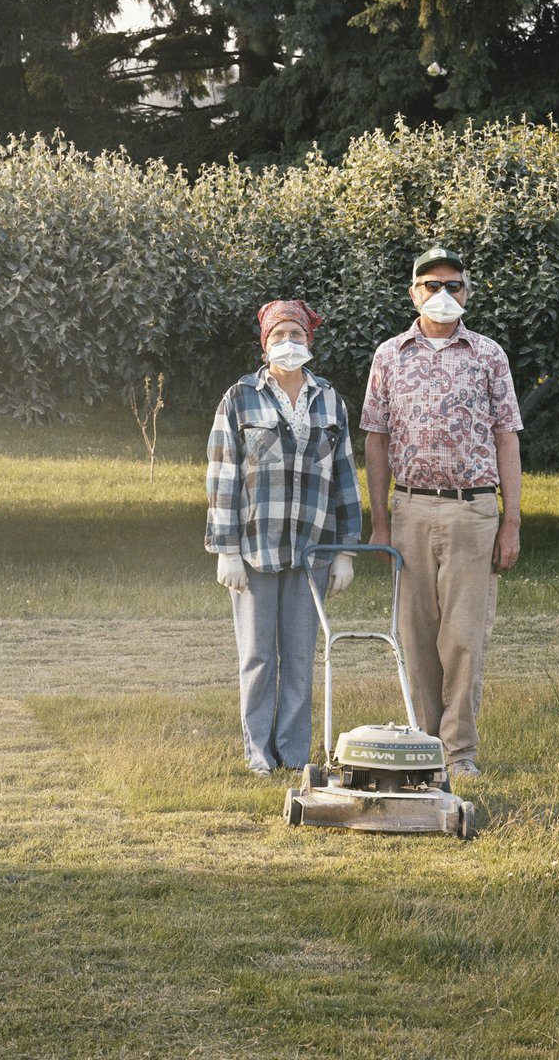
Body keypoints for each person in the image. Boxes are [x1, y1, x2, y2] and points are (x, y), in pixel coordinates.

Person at [361, 247, 521, 777]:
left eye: (454, 285)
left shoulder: (488, 355)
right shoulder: (389, 355)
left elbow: (507, 440)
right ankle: (425, 749)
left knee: (464, 638)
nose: (443, 294)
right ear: (414, 292)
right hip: (408, 510)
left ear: (468, 294)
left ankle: (460, 753)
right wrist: (380, 520)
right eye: (432, 285)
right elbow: (377, 441)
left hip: (472, 511)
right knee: (416, 635)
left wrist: (511, 521)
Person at [204, 299, 362, 776]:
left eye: (296, 335)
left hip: (311, 549)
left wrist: (345, 552)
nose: (287, 344)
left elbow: (344, 478)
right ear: (264, 343)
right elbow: (223, 475)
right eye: (278, 336)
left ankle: (294, 755)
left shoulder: (329, 400)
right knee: (257, 657)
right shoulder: (240, 398)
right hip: (255, 549)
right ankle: (258, 755)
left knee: (298, 657)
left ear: (308, 341)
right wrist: (225, 549)